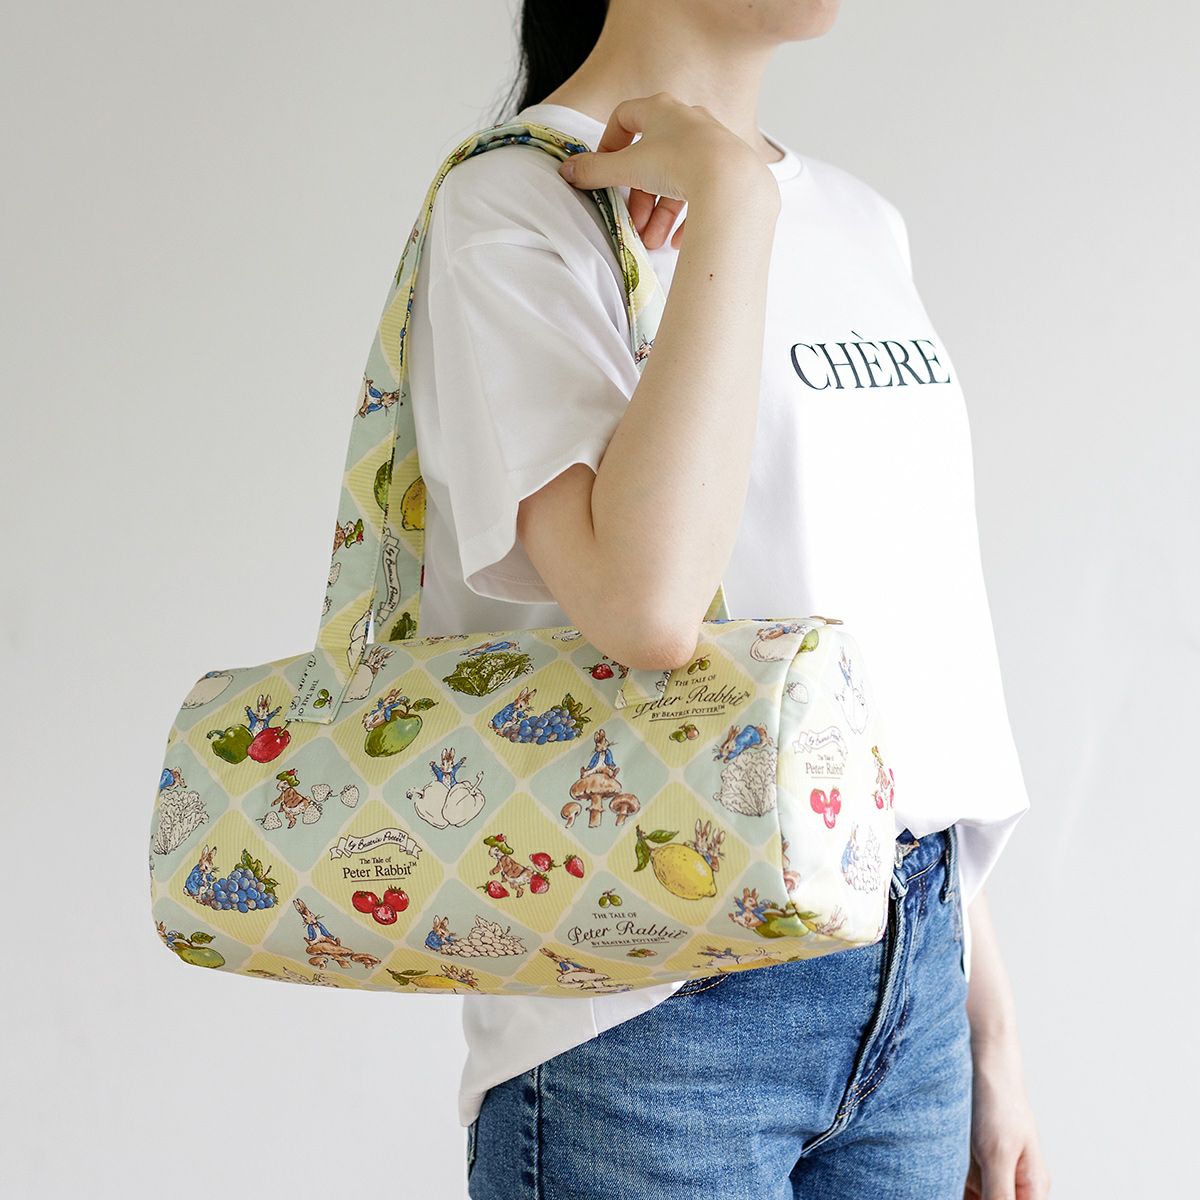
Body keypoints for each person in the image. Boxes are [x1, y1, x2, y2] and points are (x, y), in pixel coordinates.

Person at [405, 2, 1050, 1196]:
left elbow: (900, 656)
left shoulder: (861, 219)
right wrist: (735, 211)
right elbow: (644, 604)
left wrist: (987, 1025)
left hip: (911, 982)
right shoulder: (516, 204)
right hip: (651, 1013)